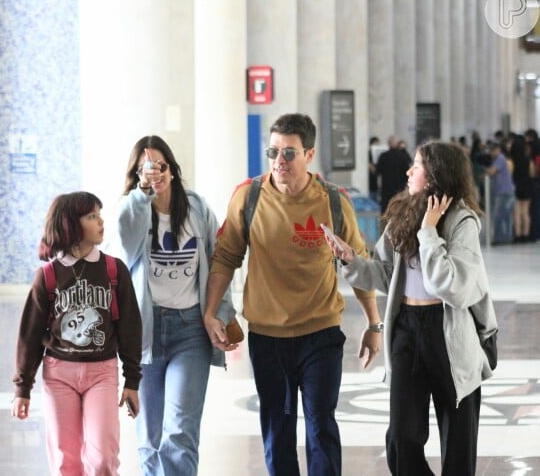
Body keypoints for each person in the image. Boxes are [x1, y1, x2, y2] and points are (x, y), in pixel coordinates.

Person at [204, 113, 382, 476]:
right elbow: (225, 256)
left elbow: (359, 263)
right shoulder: (249, 196)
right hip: (268, 337)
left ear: (309, 154)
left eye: (289, 153)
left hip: (321, 334)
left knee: (321, 426)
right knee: (277, 428)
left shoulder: (333, 201)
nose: (278, 161)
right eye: (273, 152)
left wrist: (373, 324)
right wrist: (212, 312)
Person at [324, 141, 498, 476]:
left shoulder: (463, 222)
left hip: (449, 332)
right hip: (406, 327)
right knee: (401, 440)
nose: (408, 171)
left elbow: (453, 287)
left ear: (434, 175)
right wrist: (350, 260)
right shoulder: (403, 214)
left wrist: (430, 233)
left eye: (415, 166)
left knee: (458, 445)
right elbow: (386, 275)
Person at [107, 135, 237, 476]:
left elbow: (219, 260)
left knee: (180, 431)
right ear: (136, 175)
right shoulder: (132, 209)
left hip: (189, 330)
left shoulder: (195, 207)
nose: (155, 174)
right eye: (145, 169)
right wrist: (142, 195)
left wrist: (221, 313)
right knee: (149, 436)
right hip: (145, 333)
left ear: (172, 170)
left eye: (160, 166)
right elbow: (125, 242)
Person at [12, 191, 143, 475]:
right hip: (59, 374)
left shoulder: (114, 270)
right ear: (72, 224)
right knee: (65, 462)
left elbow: (130, 327)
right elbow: (30, 335)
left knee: (104, 461)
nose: (101, 222)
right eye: (92, 216)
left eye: (99, 214)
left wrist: (132, 380)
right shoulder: (48, 275)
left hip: (102, 373)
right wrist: (23, 388)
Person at [485, 143, 516, 245]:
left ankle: (500, 239)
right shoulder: (497, 159)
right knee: (504, 216)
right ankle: (505, 238)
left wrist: (483, 170)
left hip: (504, 192)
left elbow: (492, 171)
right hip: (503, 192)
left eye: (493, 150)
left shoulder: (500, 158)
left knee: (499, 216)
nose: (492, 152)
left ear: (498, 150)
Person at [376, 135, 412, 214]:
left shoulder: (383, 156)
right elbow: (408, 170)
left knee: (386, 213)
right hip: (400, 190)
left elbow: (377, 171)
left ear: (388, 144)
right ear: (397, 144)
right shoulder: (402, 156)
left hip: (386, 191)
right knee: (400, 212)